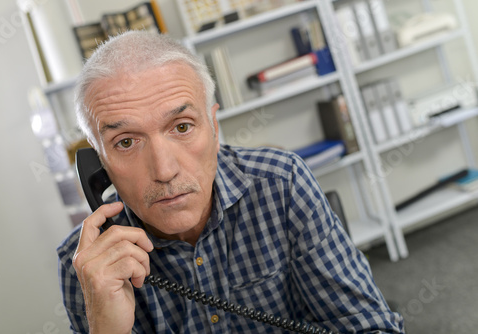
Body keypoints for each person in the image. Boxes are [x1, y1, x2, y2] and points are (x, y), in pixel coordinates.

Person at [57, 30, 404, 334]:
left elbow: (369, 325)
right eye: (126, 142)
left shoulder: (283, 185)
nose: (164, 171)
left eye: (182, 126)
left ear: (214, 126)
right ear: (99, 162)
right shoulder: (86, 265)